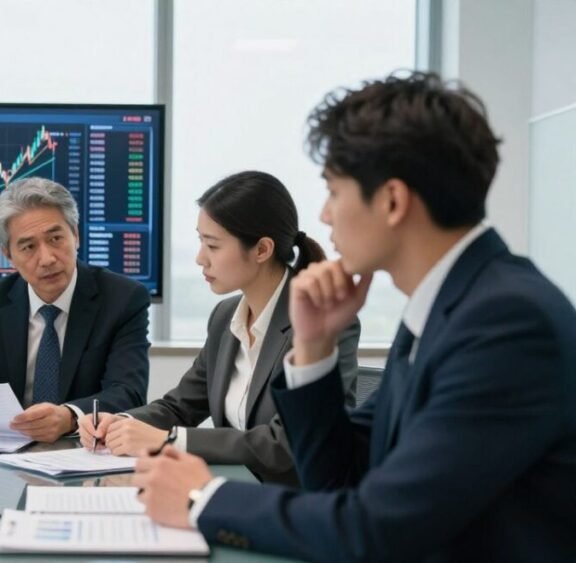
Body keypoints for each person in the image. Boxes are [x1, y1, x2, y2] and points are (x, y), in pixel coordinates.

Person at [133, 71, 576, 562]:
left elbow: (380, 528)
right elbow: (337, 477)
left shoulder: (506, 323)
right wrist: (314, 349)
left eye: (333, 191)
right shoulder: (445, 308)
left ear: (392, 201)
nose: (324, 215)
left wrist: (203, 498)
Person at [78, 171, 360, 485]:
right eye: (201, 241)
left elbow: (287, 443)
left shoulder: (323, 323)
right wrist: (120, 423)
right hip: (233, 489)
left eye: (212, 246)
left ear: (262, 250)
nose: (200, 259)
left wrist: (171, 440)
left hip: (294, 502)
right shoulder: (226, 317)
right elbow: (180, 406)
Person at [0, 177, 150, 442]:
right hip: (9, 454)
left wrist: (70, 417)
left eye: (56, 238)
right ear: (8, 255)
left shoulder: (123, 298)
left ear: (76, 235)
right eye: (28, 247)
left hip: (87, 451)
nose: (47, 259)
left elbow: (128, 392)